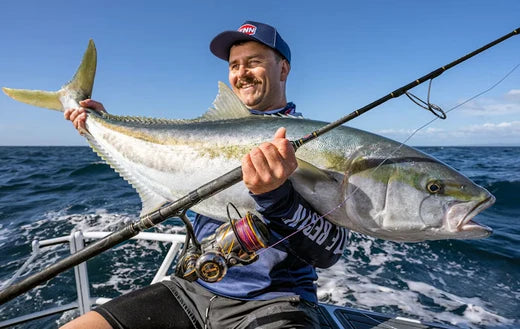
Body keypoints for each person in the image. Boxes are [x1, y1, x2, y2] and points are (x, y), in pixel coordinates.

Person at [61, 21, 348, 329]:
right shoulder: (208, 133)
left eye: (254, 62)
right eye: (234, 65)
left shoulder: (316, 144)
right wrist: (97, 124)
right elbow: (161, 154)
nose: (242, 73)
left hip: (275, 301)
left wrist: (275, 196)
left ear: (283, 69)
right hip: (191, 288)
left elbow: (330, 249)